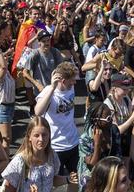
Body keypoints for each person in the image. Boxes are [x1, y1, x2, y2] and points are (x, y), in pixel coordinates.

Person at [33, 62, 80, 191]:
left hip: (73, 141)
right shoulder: (49, 91)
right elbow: (38, 112)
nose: (74, 84)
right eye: (72, 81)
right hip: (56, 146)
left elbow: (66, 65)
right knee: (52, 182)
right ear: (63, 81)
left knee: (76, 178)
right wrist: (52, 88)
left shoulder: (70, 88)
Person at [1, 116, 66, 192]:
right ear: (29, 137)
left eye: (44, 135)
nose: (41, 139)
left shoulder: (52, 155)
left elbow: (52, 179)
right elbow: (8, 189)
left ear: (49, 135)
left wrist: (68, 179)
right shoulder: (20, 161)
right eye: (36, 135)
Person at [78, 103, 121, 188]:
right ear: (96, 120)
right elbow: (92, 164)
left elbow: (118, 156)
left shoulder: (114, 130)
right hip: (91, 175)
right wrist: (97, 144)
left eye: (111, 115)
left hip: (109, 171)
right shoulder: (85, 138)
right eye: (108, 118)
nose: (111, 120)